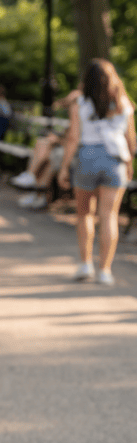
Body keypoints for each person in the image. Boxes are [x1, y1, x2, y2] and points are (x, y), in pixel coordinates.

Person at [58, 59, 135, 284]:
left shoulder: (80, 103)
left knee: (84, 214)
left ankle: (85, 264)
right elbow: (130, 139)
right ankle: (105, 270)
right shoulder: (123, 103)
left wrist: (64, 166)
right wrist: (128, 163)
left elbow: (73, 138)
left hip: (87, 157)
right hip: (115, 160)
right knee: (109, 216)